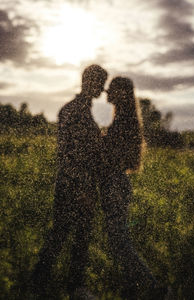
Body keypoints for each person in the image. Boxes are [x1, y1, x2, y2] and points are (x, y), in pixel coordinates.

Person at [31, 64, 107, 299]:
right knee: (66, 235)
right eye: (100, 83)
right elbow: (67, 155)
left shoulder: (78, 109)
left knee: (72, 235)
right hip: (73, 186)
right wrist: (82, 188)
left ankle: (58, 285)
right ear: (90, 82)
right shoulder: (74, 110)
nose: (103, 89)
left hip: (76, 184)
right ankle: (58, 286)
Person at [99, 77, 169, 299]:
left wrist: (96, 140)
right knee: (118, 240)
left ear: (121, 93)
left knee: (120, 241)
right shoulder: (125, 120)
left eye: (112, 87)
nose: (106, 90)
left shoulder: (123, 123)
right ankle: (134, 289)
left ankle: (154, 289)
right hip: (118, 183)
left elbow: (108, 156)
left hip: (115, 184)